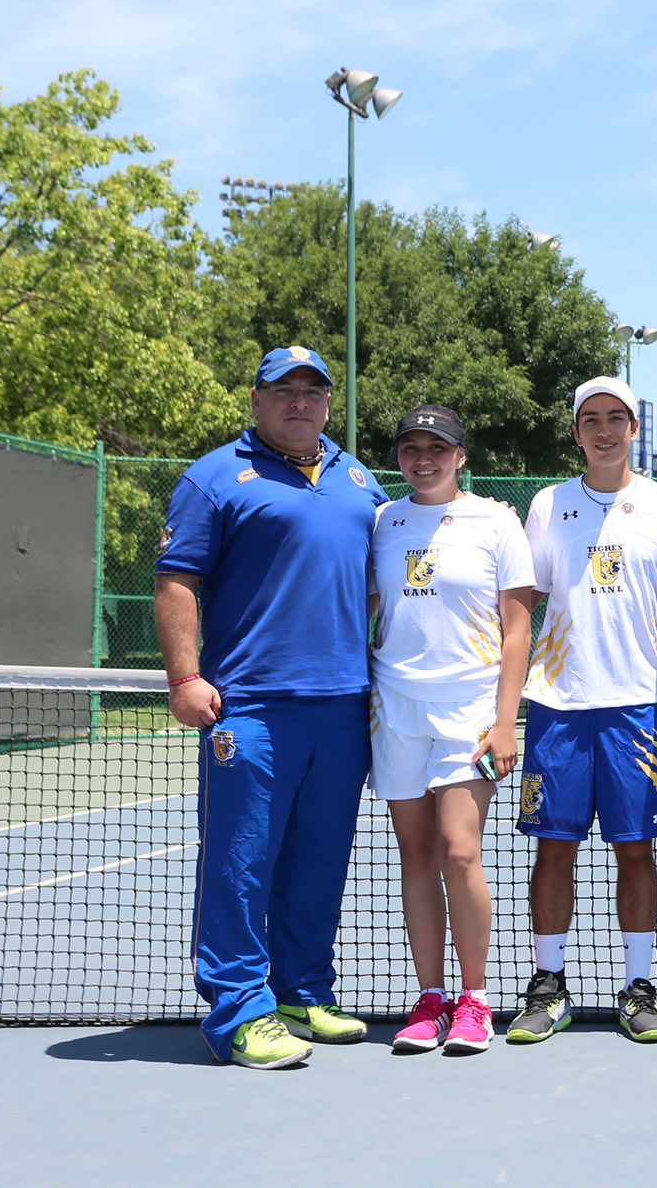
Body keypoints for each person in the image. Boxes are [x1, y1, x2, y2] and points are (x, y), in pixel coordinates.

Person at [154, 345, 389, 1068]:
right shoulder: (216, 476)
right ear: (255, 401)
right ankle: (239, 1012)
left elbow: (380, 580)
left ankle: (302, 991)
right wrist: (185, 677)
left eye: (312, 391)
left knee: (319, 861)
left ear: (328, 403)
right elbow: (178, 582)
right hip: (251, 708)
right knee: (241, 864)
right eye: (282, 390)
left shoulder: (358, 477)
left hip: (343, 709)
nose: (299, 402)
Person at [508, 376, 657, 1045]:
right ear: (577, 431)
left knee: (634, 849)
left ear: (635, 429)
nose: (605, 430)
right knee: (554, 849)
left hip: (636, 707)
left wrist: (641, 649)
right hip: (558, 703)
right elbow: (529, 600)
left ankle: (639, 986)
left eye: (618, 419)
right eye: (592, 420)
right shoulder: (547, 504)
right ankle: (548, 983)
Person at [368, 406, 538, 1056]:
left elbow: (517, 626)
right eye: (411, 447)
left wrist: (505, 720)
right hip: (395, 709)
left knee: (459, 849)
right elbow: (365, 605)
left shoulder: (497, 522)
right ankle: (431, 997)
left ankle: (475, 999)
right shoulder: (382, 521)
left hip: (470, 710)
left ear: (461, 455)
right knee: (415, 854)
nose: (423, 458)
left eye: (437, 447)